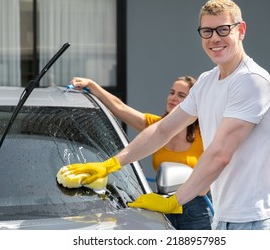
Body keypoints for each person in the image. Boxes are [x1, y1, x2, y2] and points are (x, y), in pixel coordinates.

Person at [59, 0, 270, 230]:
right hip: (224, 216)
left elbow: (220, 153)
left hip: (255, 219)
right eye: (207, 31)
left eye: (223, 29)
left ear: (241, 30)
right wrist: (111, 165)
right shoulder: (207, 82)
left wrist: (175, 201)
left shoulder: (251, 81)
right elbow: (163, 129)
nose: (214, 38)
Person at [68, 75, 213, 230]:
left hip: (196, 206)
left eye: (181, 95)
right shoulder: (156, 126)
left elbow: (213, 170)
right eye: (172, 92)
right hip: (161, 202)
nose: (173, 98)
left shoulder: (205, 132)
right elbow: (120, 108)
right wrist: (92, 85)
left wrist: (177, 200)